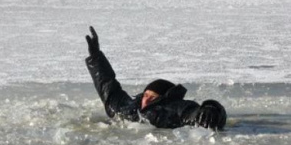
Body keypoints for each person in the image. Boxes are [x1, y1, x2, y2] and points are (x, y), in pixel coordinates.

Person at [85, 26, 227, 130]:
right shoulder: (129, 108)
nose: (146, 100)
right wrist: (96, 58)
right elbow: (109, 87)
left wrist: (211, 108)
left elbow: (195, 113)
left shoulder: (175, 107)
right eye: (146, 95)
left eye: (153, 97)